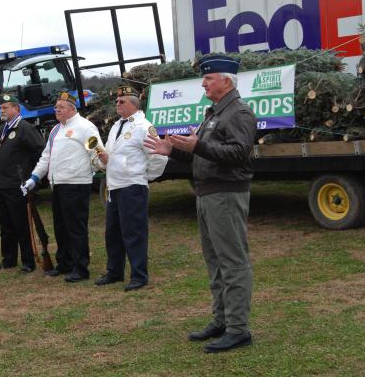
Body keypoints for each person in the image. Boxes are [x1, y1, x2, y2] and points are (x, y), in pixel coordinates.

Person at [145, 55, 257, 353]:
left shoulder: (239, 113)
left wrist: (198, 145)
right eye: (203, 78)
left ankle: (238, 329)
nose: (204, 82)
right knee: (215, 260)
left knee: (232, 261)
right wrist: (172, 151)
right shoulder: (214, 112)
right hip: (207, 194)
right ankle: (221, 320)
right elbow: (204, 154)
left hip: (226, 194)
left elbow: (239, 153)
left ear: (227, 81)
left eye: (209, 78)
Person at [21, 92, 102, 282]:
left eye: (61, 107)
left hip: (76, 184)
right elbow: (46, 157)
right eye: (56, 107)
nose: (57, 110)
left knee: (75, 227)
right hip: (57, 184)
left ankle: (80, 267)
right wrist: (34, 177)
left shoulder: (85, 127)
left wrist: (94, 169)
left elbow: (97, 152)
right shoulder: (56, 130)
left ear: (72, 109)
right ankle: (64, 263)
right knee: (60, 226)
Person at [94, 86, 167, 291]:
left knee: (133, 233)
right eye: (117, 101)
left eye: (122, 101)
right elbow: (111, 154)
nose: (117, 104)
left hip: (132, 187)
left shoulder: (144, 126)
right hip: (114, 186)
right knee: (113, 233)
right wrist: (105, 160)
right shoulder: (117, 125)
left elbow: (158, 157)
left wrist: (143, 177)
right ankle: (114, 272)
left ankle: (139, 275)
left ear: (134, 104)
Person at [0, 93, 45, 272]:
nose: (2, 110)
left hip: (18, 185)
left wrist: (32, 178)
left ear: (16, 109)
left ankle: (28, 261)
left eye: (5, 107)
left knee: (21, 224)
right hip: (3, 184)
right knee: (6, 225)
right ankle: (9, 259)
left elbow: (40, 151)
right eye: (1, 108)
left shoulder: (25, 128)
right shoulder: (3, 128)